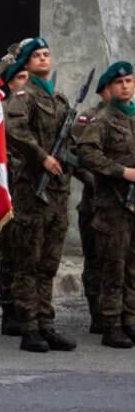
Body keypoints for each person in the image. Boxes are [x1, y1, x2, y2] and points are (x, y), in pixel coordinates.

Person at [3, 37, 77, 353]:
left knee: (48, 263)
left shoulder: (59, 100)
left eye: (48, 54)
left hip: (58, 193)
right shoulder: (24, 95)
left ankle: (46, 323)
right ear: (28, 64)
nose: (44, 59)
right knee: (28, 262)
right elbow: (15, 131)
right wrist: (41, 157)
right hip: (32, 191)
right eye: (38, 56)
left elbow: (71, 144)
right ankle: (29, 327)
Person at [75, 61, 135, 349]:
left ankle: (129, 319)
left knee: (132, 267)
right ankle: (110, 323)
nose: (125, 86)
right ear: (108, 88)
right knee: (113, 265)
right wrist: (120, 172)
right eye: (120, 82)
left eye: (129, 81)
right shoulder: (101, 120)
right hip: (112, 205)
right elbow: (87, 154)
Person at [72, 76, 111, 335]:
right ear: (103, 91)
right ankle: (98, 314)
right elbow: (75, 158)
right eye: (115, 84)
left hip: (123, 205)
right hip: (94, 202)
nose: (124, 87)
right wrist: (95, 181)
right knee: (95, 260)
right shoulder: (88, 119)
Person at [0, 66, 30, 334]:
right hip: (9, 187)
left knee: (30, 253)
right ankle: (9, 309)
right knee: (9, 250)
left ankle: (27, 308)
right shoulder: (3, 110)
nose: (24, 83)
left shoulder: (34, 108)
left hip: (30, 190)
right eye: (20, 78)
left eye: (27, 78)